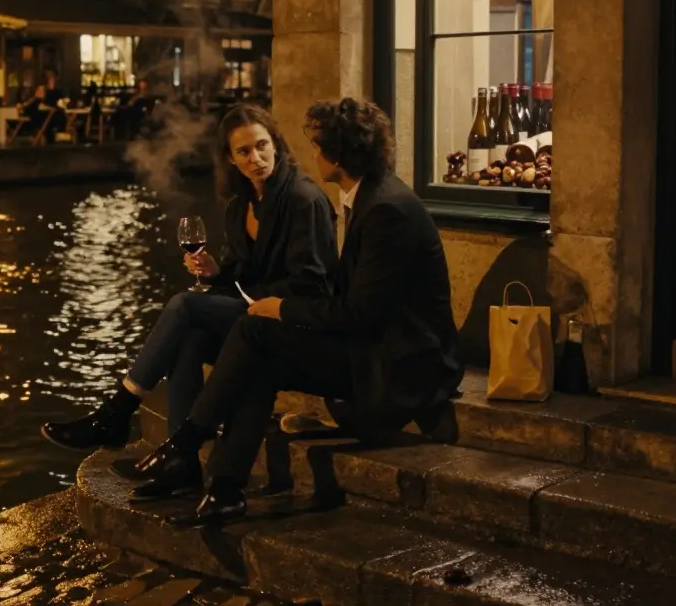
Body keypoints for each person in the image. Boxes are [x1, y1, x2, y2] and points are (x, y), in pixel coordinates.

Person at [132, 97, 463, 524]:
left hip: (402, 365)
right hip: (373, 344)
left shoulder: (387, 211)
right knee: (258, 351)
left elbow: (359, 313)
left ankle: (185, 443)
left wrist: (283, 309)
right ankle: (226, 488)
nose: (313, 154)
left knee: (253, 333)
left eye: (321, 145)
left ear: (341, 154)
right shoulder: (371, 197)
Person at [40, 105, 339, 497]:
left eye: (263, 146)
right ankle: (180, 466)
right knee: (190, 337)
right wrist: (216, 272)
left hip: (289, 322)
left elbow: (313, 286)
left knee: (184, 306)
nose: (256, 158)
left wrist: (254, 298)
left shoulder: (303, 199)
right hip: (251, 316)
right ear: (231, 158)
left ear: (278, 145)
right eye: (244, 151)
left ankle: (117, 411)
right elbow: (239, 272)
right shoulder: (240, 204)